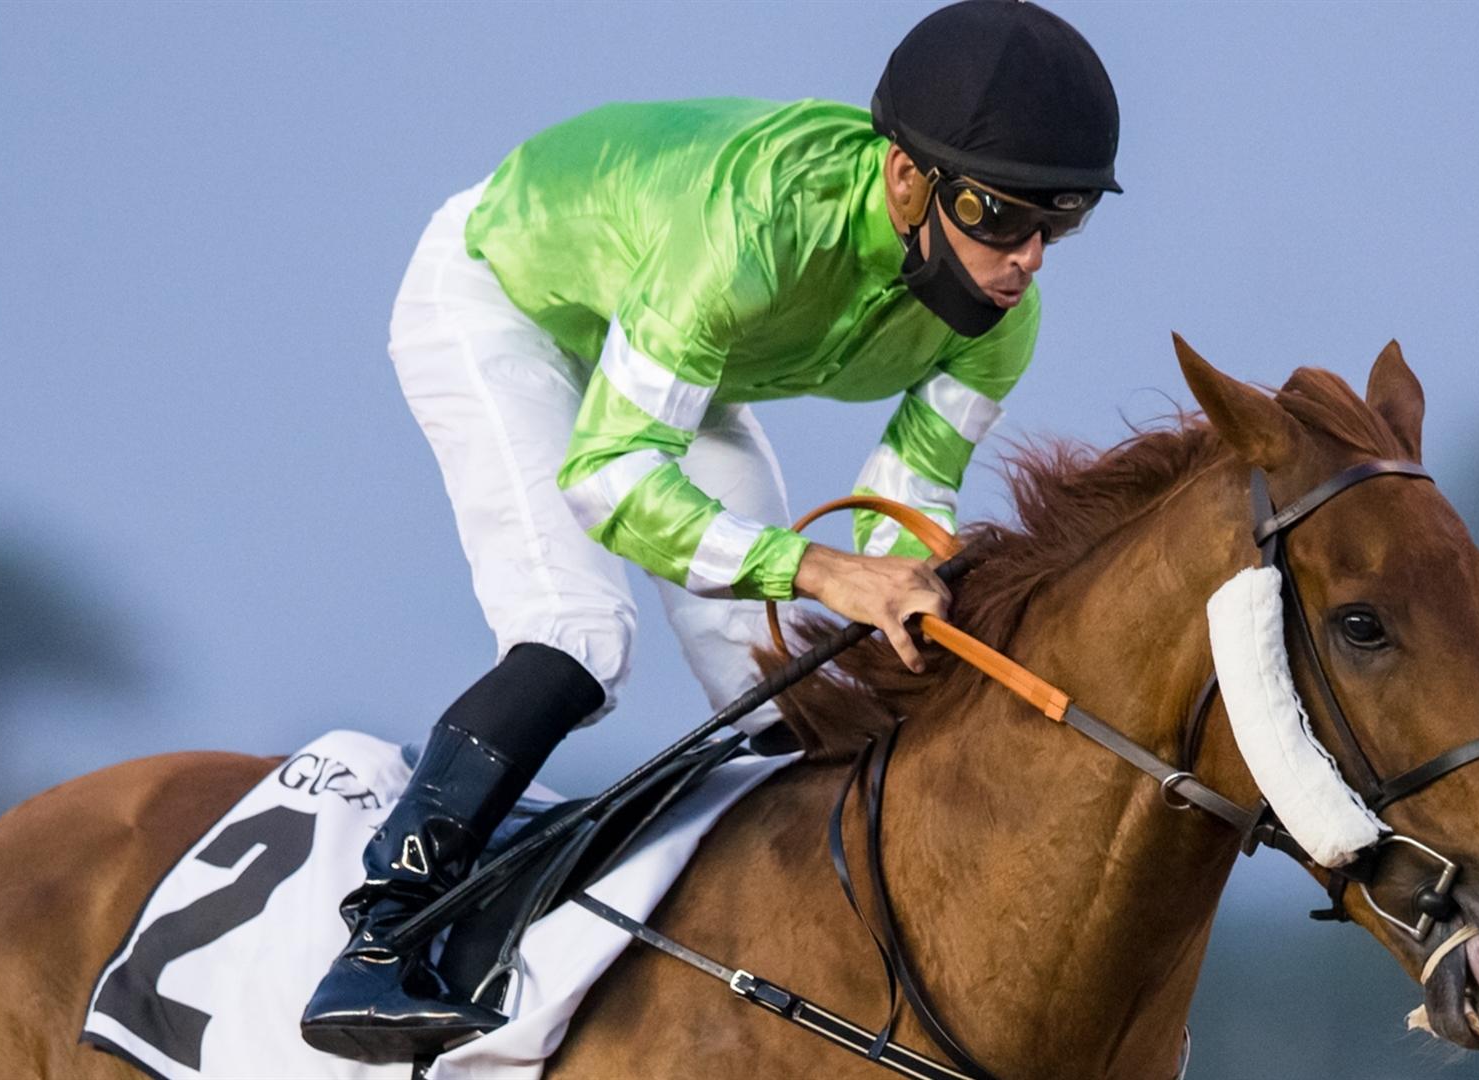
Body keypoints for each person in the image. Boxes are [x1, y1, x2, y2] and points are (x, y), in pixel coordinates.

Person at [299, 0, 1120, 1061]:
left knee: (775, 672)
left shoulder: (1003, 323)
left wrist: (906, 593)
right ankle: (377, 935)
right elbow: (611, 478)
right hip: (506, 305)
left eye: (1058, 222)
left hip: (677, 357)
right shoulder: (751, 233)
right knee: (581, 634)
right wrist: (822, 570)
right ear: (907, 179)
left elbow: (903, 515)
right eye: (997, 217)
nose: (1027, 260)